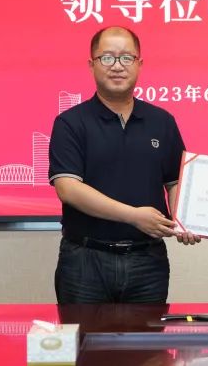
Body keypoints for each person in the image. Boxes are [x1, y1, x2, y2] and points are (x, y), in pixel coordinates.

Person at [49, 26, 199, 304]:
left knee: (148, 335)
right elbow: (68, 188)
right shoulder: (71, 123)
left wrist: (185, 221)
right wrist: (133, 216)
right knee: (80, 334)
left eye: (127, 58)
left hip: (147, 261)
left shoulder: (162, 121)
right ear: (92, 65)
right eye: (107, 57)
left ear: (139, 64)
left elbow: (176, 181)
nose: (117, 66)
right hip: (84, 262)